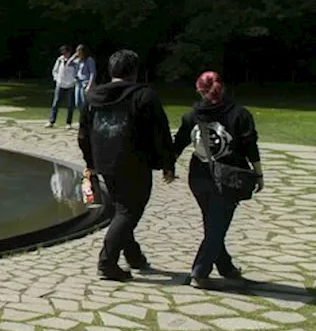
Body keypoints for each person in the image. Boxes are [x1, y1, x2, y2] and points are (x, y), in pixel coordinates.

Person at [78, 49, 175, 281]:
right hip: (135, 164)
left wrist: (90, 163)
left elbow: (83, 134)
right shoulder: (144, 96)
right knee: (129, 211)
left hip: (104, 163)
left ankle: (134, 256)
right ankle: (107, 263)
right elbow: (160, 133)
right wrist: (167, 164)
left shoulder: (92, 98)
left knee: (122, 210)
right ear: (134, 71)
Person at [171, 71, 263, 289]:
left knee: (214, 224)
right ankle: (200, 272)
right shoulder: (240, 115)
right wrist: (258, 174)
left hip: (199, 178)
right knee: (216, 227)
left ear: (199, 90)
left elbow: (178, 144)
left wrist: (168, 167)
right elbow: (251, 147)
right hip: (229, 178)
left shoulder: (191, 116)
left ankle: (226, 267)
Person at [48, 45, 78, 127]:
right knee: (56, 103)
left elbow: (77, 72)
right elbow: (55, 70)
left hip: (70, 85)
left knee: (70, 105)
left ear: (69, 53)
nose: (64, 55)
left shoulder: (74, 61)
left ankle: (68, 123)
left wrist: (74, 80)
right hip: (60, 84)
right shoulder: (60, 60)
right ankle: (51, 121)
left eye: (66, 53)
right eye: (63, 53)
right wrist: (56, 79)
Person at [75, 44, 97, 110]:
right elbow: (68, 63)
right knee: (77, 103)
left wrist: (89, 85)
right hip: (78, 83)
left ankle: (87, 118)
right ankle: (83, 116)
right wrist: (74, 56)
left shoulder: (89, 60)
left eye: (80, 52)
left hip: (86, 82)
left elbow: (92, 73)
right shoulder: (78, 60)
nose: (78, 53)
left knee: (84, 102)